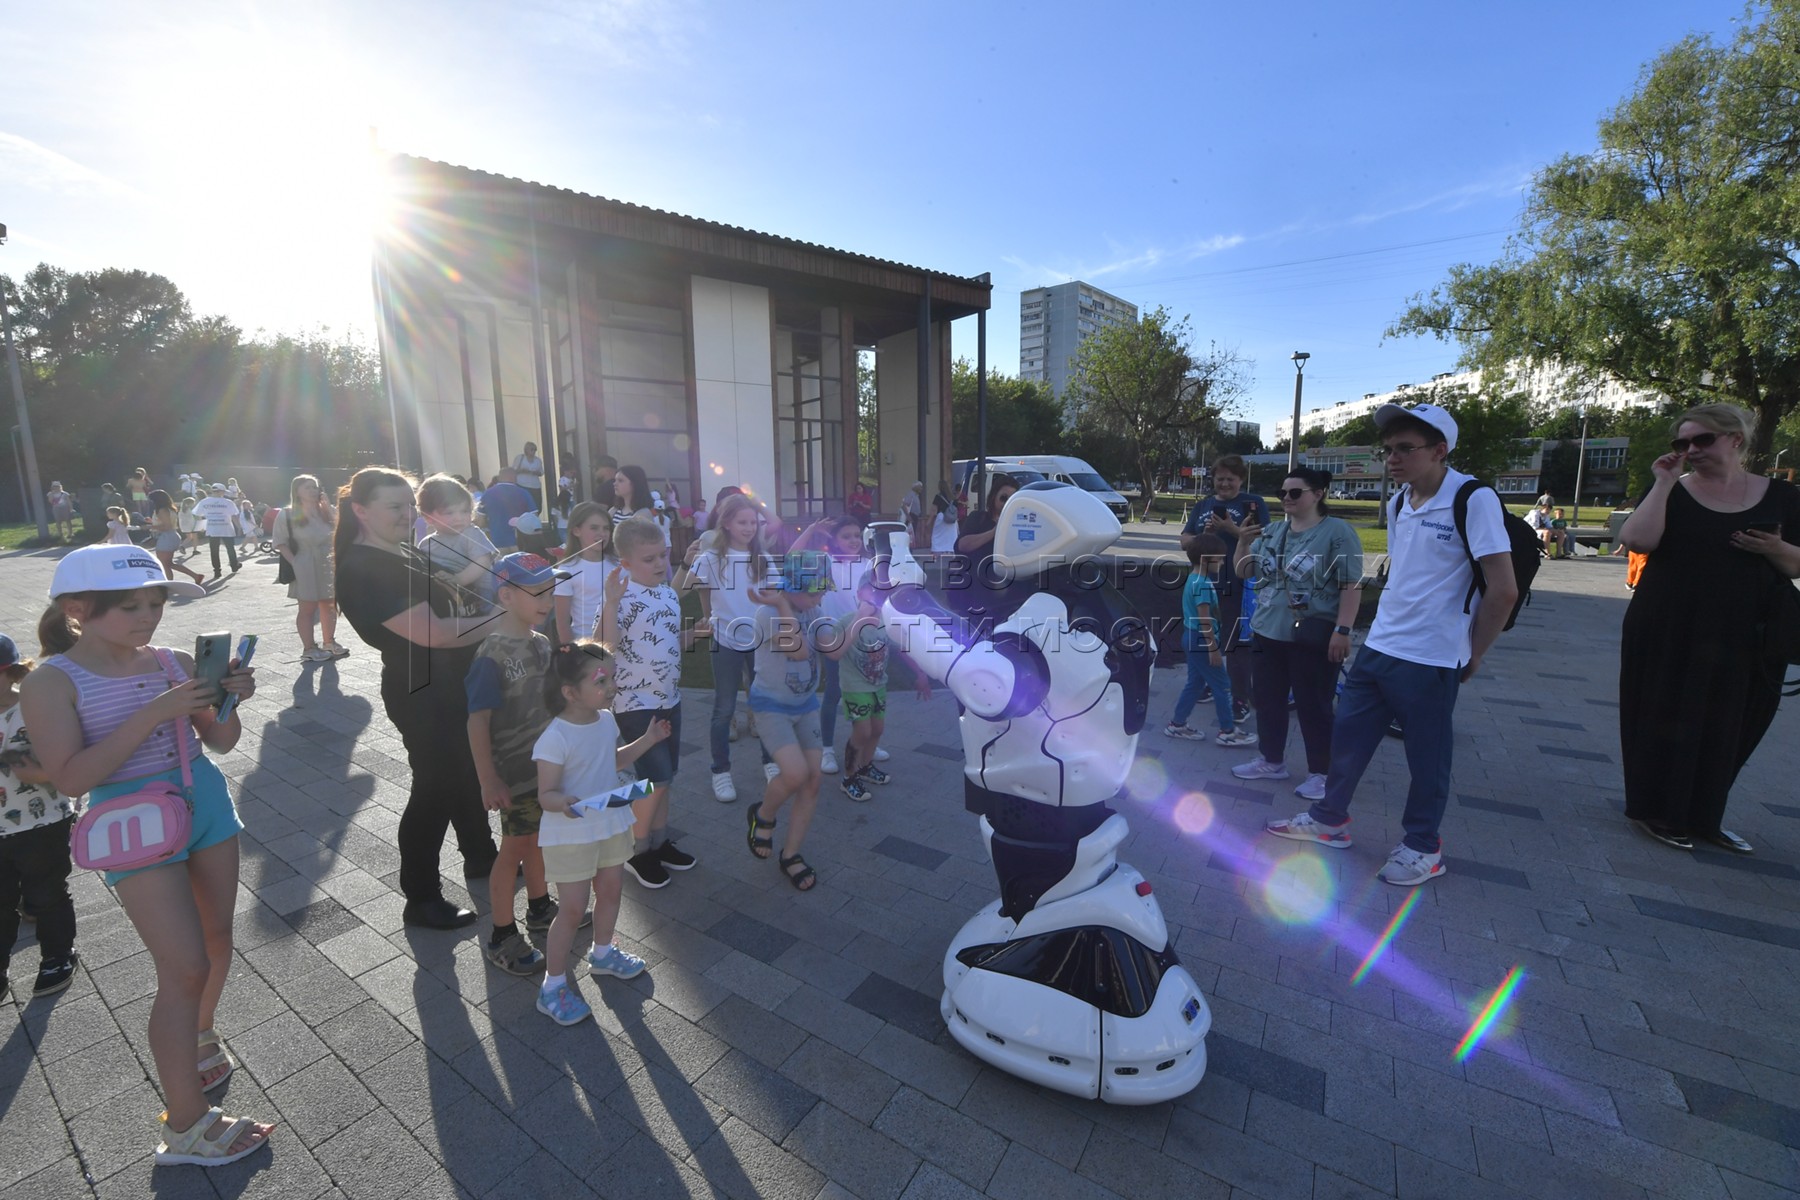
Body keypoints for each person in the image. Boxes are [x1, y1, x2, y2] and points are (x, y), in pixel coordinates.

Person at [21, 546, 270, 1167]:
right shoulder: (52, 681)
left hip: (204, 801)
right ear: (78, 609)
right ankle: (185, 1125)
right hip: (131, 822)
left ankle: (201, 1036)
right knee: (182, 966)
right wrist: (153, 712)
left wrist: (230, 699)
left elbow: (223, 740)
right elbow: (73, 778)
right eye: (131, 605)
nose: (149, 616)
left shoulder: (172, 660)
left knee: (216, 939)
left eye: (156, 603)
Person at [1266, 403, 1515, 887]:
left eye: (1406, 449)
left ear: (1440, 451)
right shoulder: (1400, 501)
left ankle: (1424, 847)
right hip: (1381, 646)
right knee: (1349, 740)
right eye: (1389, 450)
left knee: (1427, 758)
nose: (1393, 459)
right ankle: (1329, 819)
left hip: (1432, 655)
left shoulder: (1472, 498)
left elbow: (1502, 589)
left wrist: (1475, 652)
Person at [1617, 403, 1800, 852]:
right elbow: (1638, 540)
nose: (1690, 450)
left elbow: (1796, 566)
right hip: (1669, 626)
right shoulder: (1672, 490)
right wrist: (1662, 482)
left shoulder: (1784, 496)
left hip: (1749, 634)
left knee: (1733, 722)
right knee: (1663, 714)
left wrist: (1774, 547)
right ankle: (1655, 810)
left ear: (1735, 440)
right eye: (1682, 443)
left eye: (1702, 440)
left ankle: (1704, 816)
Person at [334, 468, 500, 928]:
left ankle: (482, 857)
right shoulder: (365, 567)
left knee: (463, 774)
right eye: (395, 506)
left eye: (410, 505)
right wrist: (501, 621)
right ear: (360, 510)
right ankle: (421, 896)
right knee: (434, 790)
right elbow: (436, 634)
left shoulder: (401, 551)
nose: (407, 514)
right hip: (424, 691)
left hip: (451, 683)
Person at [533, 640, 664, 1024]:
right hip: (570, 834)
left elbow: (613, 760)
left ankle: (603, 953)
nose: (611, 687)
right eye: (601, 680)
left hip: (607, 822)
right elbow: (545, 794)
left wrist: (649, 740)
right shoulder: (555, 738)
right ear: (570, 692)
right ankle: (553, 985)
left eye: (612, 677)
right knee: (572, 910)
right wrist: (563, 803)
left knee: (610, 890)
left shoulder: (605, 721)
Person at [1231, 467, 1363, 801]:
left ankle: (1322, 773)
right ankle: (1271, 760)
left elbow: (1350, 584)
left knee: (1314, 705)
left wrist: (1343, 630)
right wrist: (1243, 543)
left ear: (1318, 494)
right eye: (1283, 493)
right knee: (1267, 700)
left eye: (1295, 493)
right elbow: (1245, 571)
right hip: (1267, 629)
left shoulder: (1337, 533)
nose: (1286, 499)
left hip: (1312, 634)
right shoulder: (1274, 531)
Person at [468, 553, 570, 976]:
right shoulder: (490, 655)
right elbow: (477, 721)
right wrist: (488, 778)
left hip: (543, 769)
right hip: (513, 773)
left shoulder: (541, 642)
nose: (548, 598)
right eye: (537, 591)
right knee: (514, 851)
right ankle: (501, 933)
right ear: (506, 595)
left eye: (551, 589)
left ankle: (541, 907)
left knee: (539, 841)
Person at [600, 517, 707, 888]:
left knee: (666, 779)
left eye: (662, 554)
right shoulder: (621, 597)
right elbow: (604, 650)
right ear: (625, 563)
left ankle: (659, 844)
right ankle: (635, 850)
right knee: (653, 780)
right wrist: (611, 604)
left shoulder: (665, 592)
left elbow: (664, 640)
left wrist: (694, 632)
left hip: (668, 700)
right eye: (649, 559)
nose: (660, 563)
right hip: (635, 705)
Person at [743, 550, 833, 891]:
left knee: (812, 781)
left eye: (823, 590)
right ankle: (763, 814)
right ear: (789, 588)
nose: (820, 597)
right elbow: (797, 651)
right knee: (795, 773)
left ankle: (791, 854)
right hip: (771, 706)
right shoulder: (768, 614)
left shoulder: (815, 609)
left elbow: (830, 647)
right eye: (813, 591)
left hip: (805, 703)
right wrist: (782, 605)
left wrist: (863, 617)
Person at [1, 632, 80, 1001]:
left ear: (11, 672)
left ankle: (57, 956)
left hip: (40, 822)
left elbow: (51, 765)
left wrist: (15, 760)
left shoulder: (32, 708)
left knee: (46, 893)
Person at [693, 492, 778, 802]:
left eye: (753, 522)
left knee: (764, 706)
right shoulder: (710, 559)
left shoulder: (763, 558)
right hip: (725, 642)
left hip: (760, 643)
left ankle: (770, 763)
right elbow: (702, 591)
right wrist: (709, 617)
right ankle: (721, 772)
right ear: (726, 523)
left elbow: (774, 596)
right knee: (723, 709)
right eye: (743, 522)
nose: (750, 528)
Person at [823, 565, 930, 802]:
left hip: (878, 685)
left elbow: (903, 648)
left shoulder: (887, 622)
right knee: (862, 731)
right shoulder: (846, 621)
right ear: (860, 595)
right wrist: (860, 620)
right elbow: (834, 651)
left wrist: (920, 673)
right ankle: (849, 778)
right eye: (871, 593)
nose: (877, 599)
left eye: (882, 594)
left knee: (877, 730)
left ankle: (865, 766)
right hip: (855, 686)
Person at [1180, 456, 1269, 726]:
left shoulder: (1252, 504)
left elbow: (1264, 537)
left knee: (1237, 645)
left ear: (1241, 480)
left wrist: (1231, 529)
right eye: (1220, 478)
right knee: (1204, 637)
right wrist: (1203, 536)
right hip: (1203, 585)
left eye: (1231, 478)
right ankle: (1207, 684)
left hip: (1239, 584)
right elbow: (1184, 541)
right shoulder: (1204, 505)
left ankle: (1239, 699)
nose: (1225, 483)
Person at [1165, 534, 1257, 747]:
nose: (1223, 563)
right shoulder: (1204, 585)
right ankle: (1227, 731)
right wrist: (1213, 649)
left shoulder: (1194, 579)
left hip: (1192, 638)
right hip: (1202, 641)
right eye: (1220, 559)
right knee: (1223, 685)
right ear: (1206, 559)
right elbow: (1203, 619)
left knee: (1195, 684)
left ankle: (1177, 725)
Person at [274, 475, 346, 662]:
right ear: (297, 491)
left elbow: (340, 531)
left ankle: (329, 642)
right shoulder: (287, 514)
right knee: (307, 607)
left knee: (329, 605)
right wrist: (295, 562)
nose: (313, 491)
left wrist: (329, 508)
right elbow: (280, 543)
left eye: (315, 487)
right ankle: (309, 648)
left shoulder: (326, 510)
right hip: (304, 561)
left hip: (327, 560)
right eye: (308, 488)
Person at [417, 473, 500, 615]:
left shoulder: (470, 533)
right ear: (428, 518)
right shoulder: (426, 544)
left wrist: (459, 579)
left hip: (482, 594)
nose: (459, 518)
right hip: (453, 595)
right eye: (449, 513)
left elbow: (482, 561)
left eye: (464, 511)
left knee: (486, 622)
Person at [954, 472, 1020, 614]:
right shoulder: (978, 518)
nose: (1006, 503)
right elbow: (963, 545)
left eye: (1012, 499)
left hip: (1006, 594)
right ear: (993, 497)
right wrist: (994, 532)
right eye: (1003, 498)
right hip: (975, 591)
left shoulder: (1018, 525)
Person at [553, 501, 613, 643]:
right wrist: (571, 655)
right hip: (585, 645)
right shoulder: (566, 570)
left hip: (621, 645)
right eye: (594, 528)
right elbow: (562, 624)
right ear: (576, 530)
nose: (602, 533)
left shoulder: (620, 565)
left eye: (606, 528)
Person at [149, 490, 208, 589]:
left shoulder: (162, 510)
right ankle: (195, 576)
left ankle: (169, 584)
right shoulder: (170, 509)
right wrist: (153, 523)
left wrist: (150, 527)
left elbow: (167, 526)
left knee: (165, 564)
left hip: (166, 537)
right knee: (168, 563)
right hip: (171, 536)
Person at [192, 483, 242, 580]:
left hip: (212, 528)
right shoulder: (228, 502)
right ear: (221, 491)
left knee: (214, 550)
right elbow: (234, 515)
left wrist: (201, 525)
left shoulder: (204, 502)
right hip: (226, 528)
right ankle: (234, 565)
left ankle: (217, 571)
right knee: (230, 548)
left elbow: (197, 514)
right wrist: (239, 527)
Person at [477, 468, 534, 552]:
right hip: (519, 542)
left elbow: (480, 522)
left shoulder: (487, 494)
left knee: (500, 564)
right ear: (515, 478)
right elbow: (533, 519)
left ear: (499, 478)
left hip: (497, 542)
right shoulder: (524, 493)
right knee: (519, 564)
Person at [512, 442, 546, 510]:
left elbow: (541, 472)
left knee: (537, 505)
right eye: (532, 449)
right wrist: (523, 471)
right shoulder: (520, 458)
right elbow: (513, 470)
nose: (533, 451)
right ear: (526, 449)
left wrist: (534, 472)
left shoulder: (538, 460)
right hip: (522, 484)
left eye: (535, 450)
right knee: (523, 505)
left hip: (535, 486)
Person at [899, 481, 925, 547]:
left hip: (914, 517)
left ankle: (910, 550)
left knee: (912, 536)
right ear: (916, 487)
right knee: (909, 534)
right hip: (911, 517)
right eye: (920, 487)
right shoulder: (911, 494)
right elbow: (903, 505)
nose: (921, 489)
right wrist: (908, 516)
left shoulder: (916, 495)